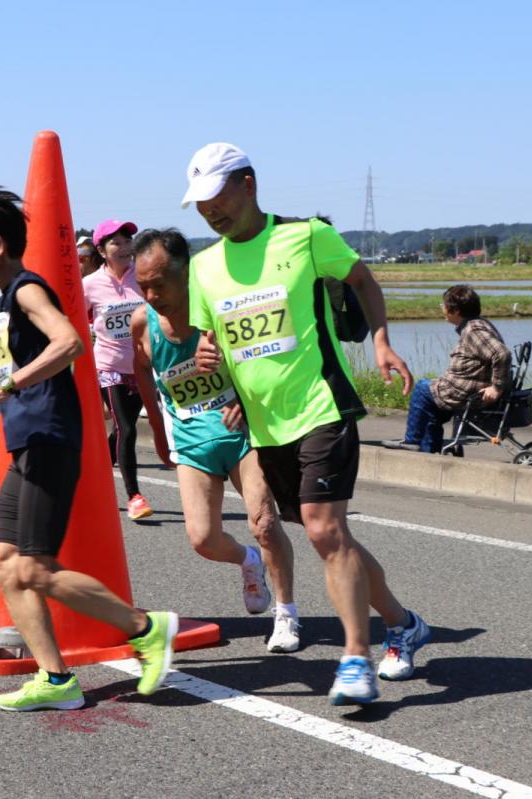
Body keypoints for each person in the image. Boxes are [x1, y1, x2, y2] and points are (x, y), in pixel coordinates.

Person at [184, 142, 430, 705]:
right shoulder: (203, 267)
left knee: (323, 530)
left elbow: (363, 280)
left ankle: (355, 659)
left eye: (217, 196)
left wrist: (382, 341)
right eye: (200, 203)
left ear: (248, 183)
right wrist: (208, 358)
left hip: (322, 405)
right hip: (266, 426)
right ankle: (403, 623)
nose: (210, 211)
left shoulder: (306, 236)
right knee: (331, 537)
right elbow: (211, 340)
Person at [0, 186, 178, 712]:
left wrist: (6, 386)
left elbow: (70, 343)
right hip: (28, 440)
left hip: (49, 438)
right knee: (6, 561)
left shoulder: (27, 289)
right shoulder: (3, 296)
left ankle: (145, 628)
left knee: (35, 567)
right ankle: (56, 679)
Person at [131, 228, 301, 652]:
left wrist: (244, 396)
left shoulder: (221, 311)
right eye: (143, 285)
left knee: (265, 524)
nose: (151, 295)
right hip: (192, 438)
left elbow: (268, 361)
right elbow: (143, 372)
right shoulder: (142, 323)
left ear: (185, 272)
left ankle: (286, 614)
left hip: (243, 434)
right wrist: (157, 429)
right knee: (203, 539)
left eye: (159, 284)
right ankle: (248, 562)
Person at [381, 285, 510, 453]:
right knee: (431, 407)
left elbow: (501, 354)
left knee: (421, 389)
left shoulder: (473, 330)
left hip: (466, 393)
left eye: (444, 305)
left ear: (455, 310)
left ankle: (412, 440)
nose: (442, 308)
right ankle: (429, 451)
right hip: (467, 389)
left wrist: (497, 387)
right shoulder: (478, 324)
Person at [82, 218, 153, 520]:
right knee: (126, 427)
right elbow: (75, 319)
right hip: (108, 365)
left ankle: (92, 475)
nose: (124, 248)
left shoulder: (144, 275)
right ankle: (135, 497)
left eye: (127, 241)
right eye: (116, 243)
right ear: (101, 250)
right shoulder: (90, 285)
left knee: (123, 428)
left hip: (142, 366)